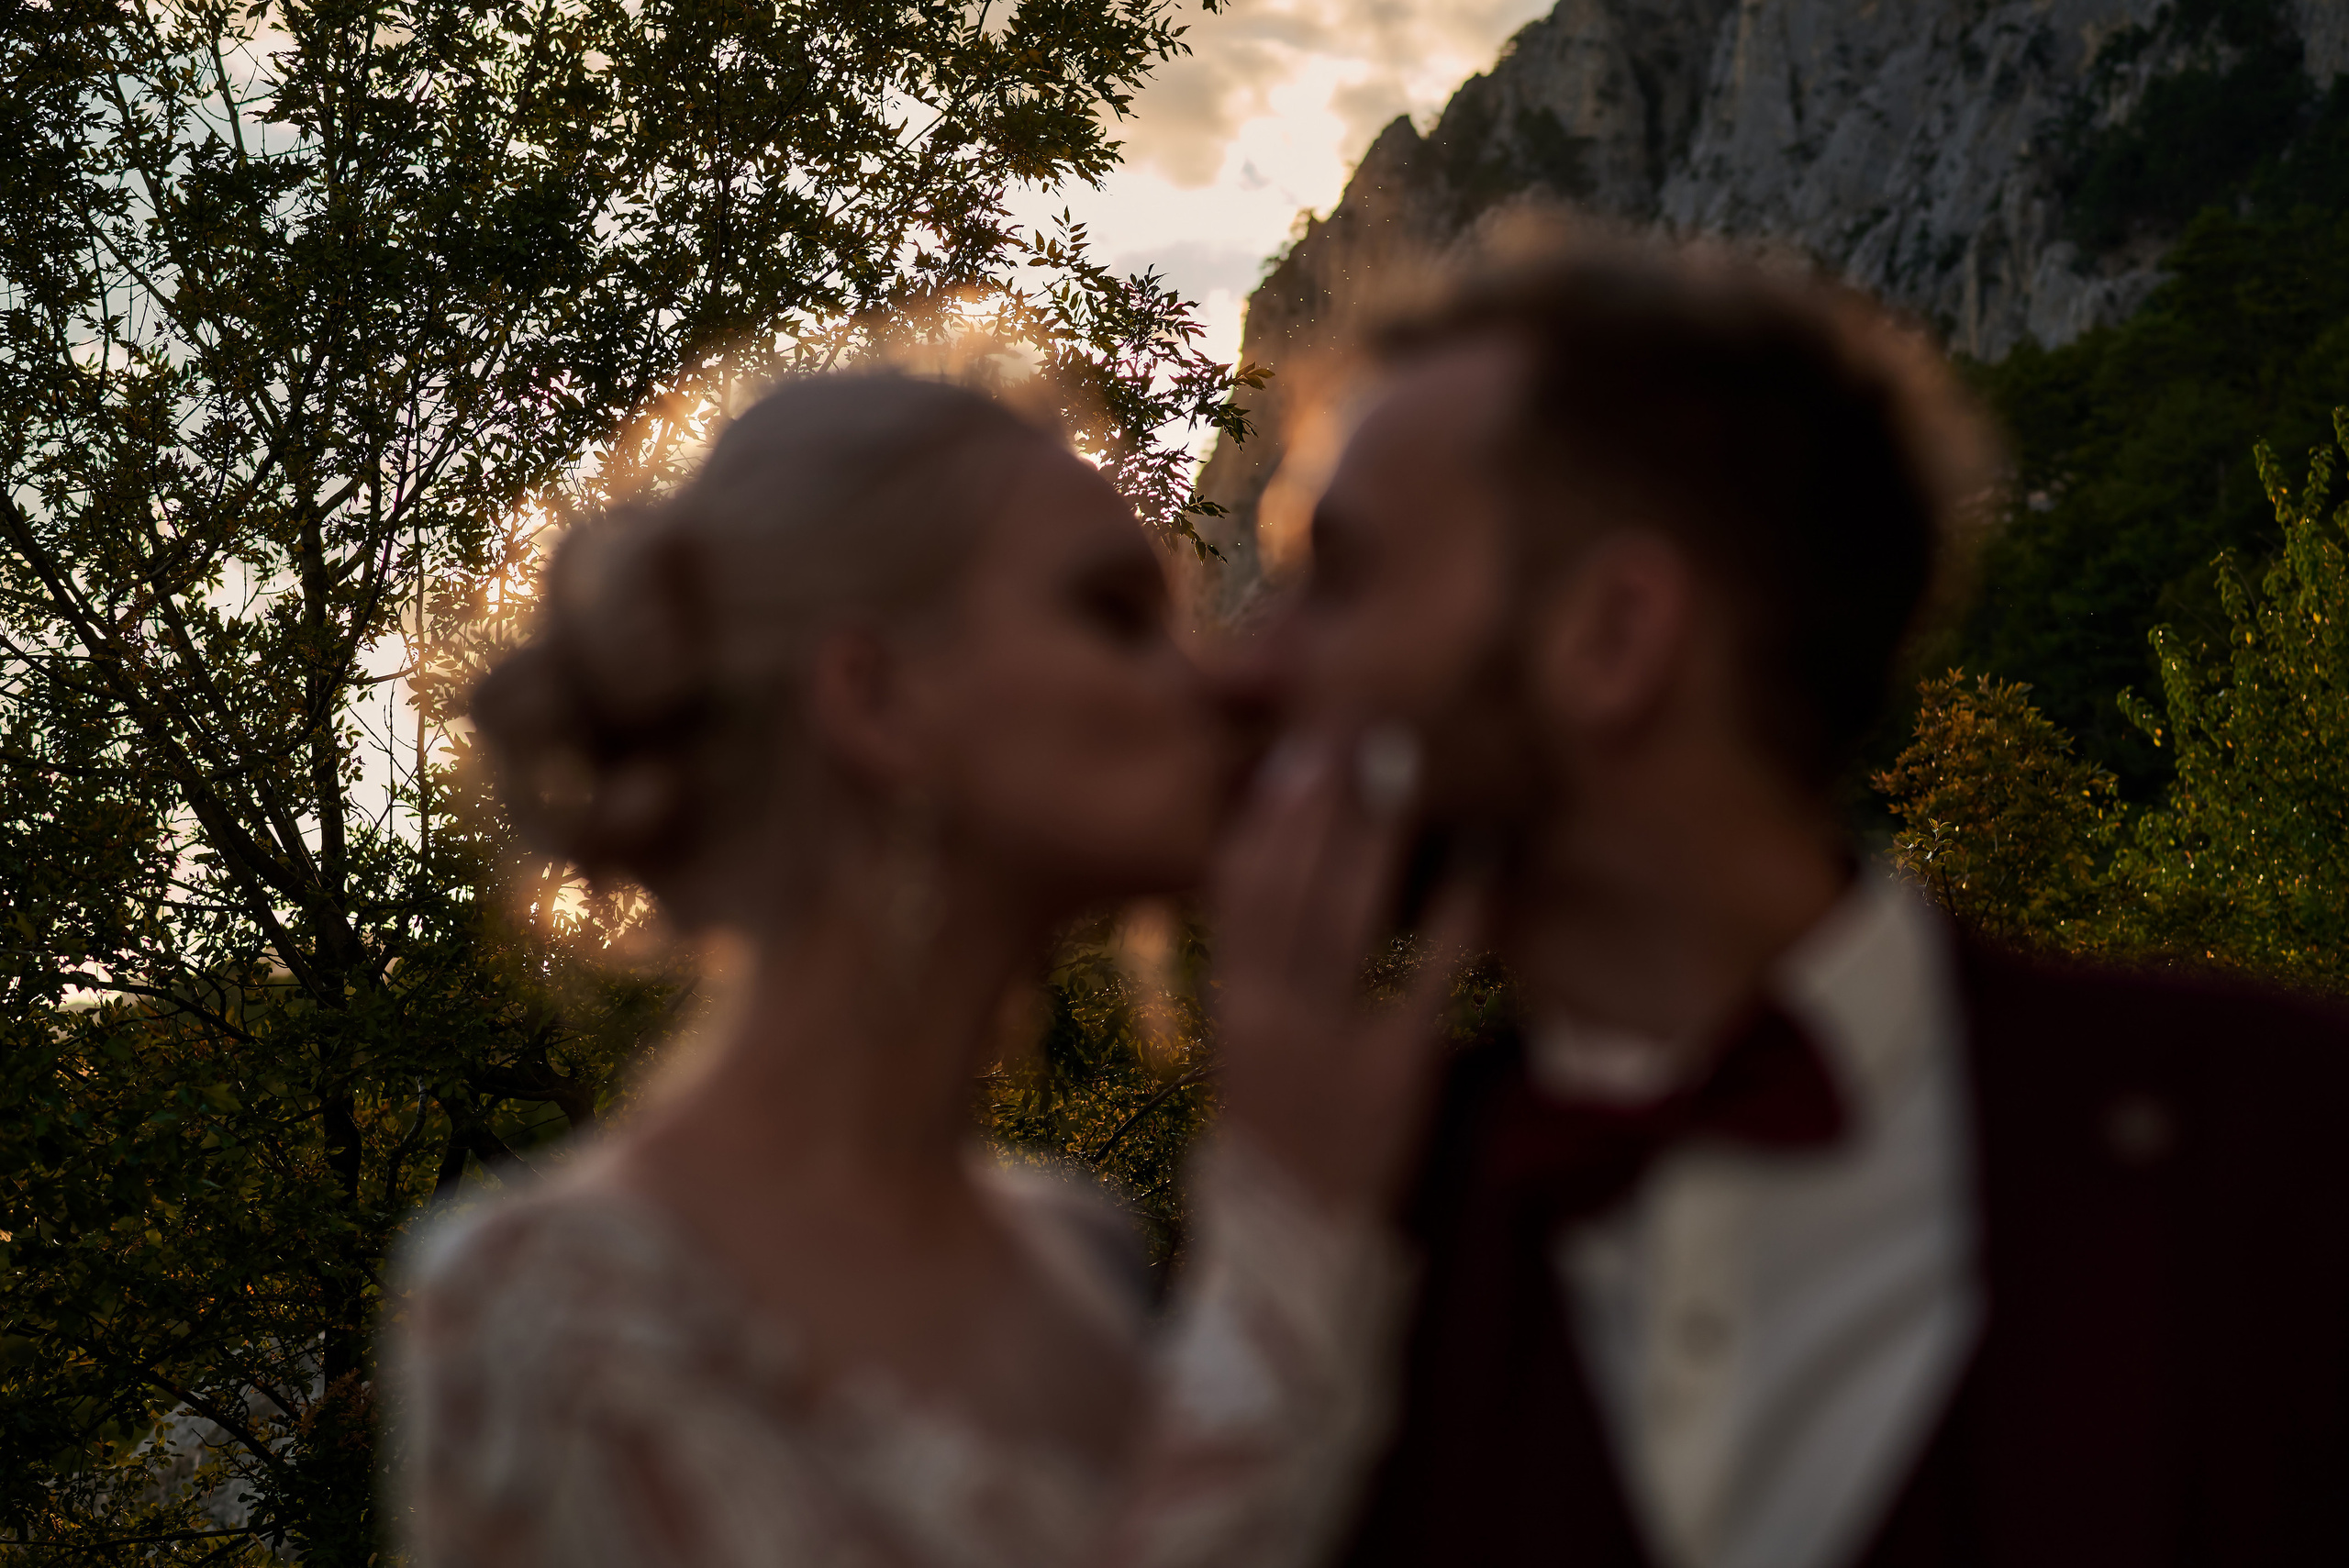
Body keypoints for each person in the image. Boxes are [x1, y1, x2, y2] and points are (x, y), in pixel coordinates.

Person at [1204, 234, 2349, 1568]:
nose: (1245, 669)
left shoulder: (2284, 1143)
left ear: (1614, 637)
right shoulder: (1341, 1246)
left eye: (1335, 577)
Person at [399, 371, 1245, 1568]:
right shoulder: (552, 1311)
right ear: (875, 698)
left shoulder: (1083, 1246)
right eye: (1115, 614)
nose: (1214, 680)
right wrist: (1304, 1232)